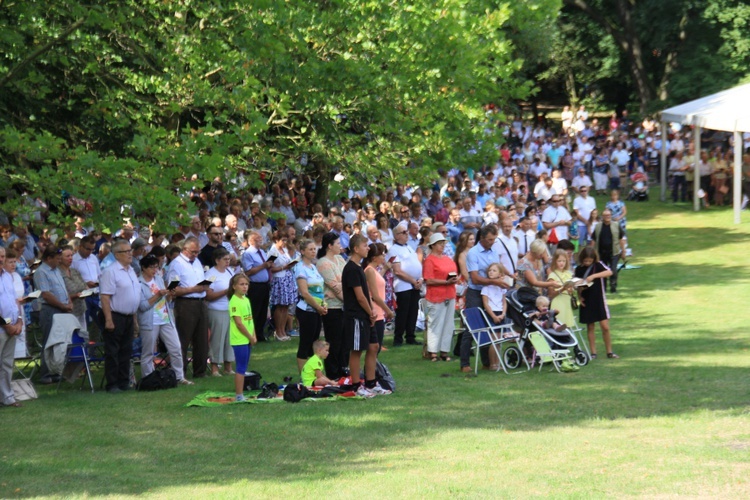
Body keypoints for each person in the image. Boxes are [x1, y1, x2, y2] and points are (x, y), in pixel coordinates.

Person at [342, 234, 391, 397]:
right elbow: (360, 296)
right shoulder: (351, 269)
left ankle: (371, 383)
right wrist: (371, 311)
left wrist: (371, 311)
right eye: (365, 246)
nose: (368, 248)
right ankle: (356, 386)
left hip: (366, 315)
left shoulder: (359, 269)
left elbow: (367, 295)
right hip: (356, 316)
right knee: (357, 350)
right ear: (356, 249)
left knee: (373, 346)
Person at [136, 254, 191, 385]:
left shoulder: (159, 279)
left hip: (165, 318)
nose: (154, 270)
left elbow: (165, 301)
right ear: (143, 268)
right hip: (150, 321)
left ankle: (179, 377)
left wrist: (170, 295)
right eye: (151, 267)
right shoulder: (139, 283)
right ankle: (148, 380)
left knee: (176, 348)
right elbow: (143, 306)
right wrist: (157, 295)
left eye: (156, 267)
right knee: (148, 352)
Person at [100, 239, 141, 393]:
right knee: (113, 351)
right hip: (115, 315)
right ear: (117, 254)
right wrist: (109, 319)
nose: (130, 254)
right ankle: (112, 384)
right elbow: (105, 297)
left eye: (130, 250)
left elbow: (133, 296)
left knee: (126, 350)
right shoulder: (111, 271)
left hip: (129, 316)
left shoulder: (130, 270)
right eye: (126, 251)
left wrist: (135, 319)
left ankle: (124, 382)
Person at [168, 236, 211, 379]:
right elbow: (173, 290)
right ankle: (181, 372)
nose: (196, 255)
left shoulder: (197, 262)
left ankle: (200, 371)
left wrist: (204, 286)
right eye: (193, 252)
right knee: (183, 339)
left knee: (202, 339)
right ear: (184, 249)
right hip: (185, 304)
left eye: (198, 252)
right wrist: (193, 289)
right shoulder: (177, 264)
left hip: (200, 302)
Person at [34, 244, 73, 384]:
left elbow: (63, 288)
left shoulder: (56, 270)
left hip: (62, 308)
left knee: (59, 342)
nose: (59, 261)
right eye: (57, 259)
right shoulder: (41, 272)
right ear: (49, 258)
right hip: (50, 309)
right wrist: (63, 306)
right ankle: (45, 374)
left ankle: (56, 371)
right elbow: (46, 294)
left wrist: (69, 302)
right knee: (49, 342)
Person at [575, 247, 618, 359]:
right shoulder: (578, 269)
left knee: (605, 326)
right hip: (587, 300)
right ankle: (593, 352)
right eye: (585, 261)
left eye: (590, 261)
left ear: (593, 259)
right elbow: (577, 285)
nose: (587, 263)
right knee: (590, 326)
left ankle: (609, 351)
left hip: (599, 299)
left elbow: (609, 272)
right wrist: (580, 297)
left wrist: (593, 276)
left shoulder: (598, 265)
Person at [422, 233, 458, 362]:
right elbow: (429, 280)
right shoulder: (430, 260)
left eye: (443, 243)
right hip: (436, 296)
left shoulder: (448, 259)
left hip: (450, 294)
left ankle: (444, 351)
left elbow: (454, 272)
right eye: (439, 243)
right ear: (433, 245)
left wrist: (454, 279)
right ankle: (432, 352)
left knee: (449, 324)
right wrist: (445, 282)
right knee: (435, 324)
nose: (442, 245)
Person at [316, 232, 348, 379]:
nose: (340, 246)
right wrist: (349, 299)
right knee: (334, 342)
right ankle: (333, 373)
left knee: (345, 342)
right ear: (329, 246)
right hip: (332, 307)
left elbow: (347, 279)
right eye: (338, 244)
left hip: (344, 306)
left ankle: (344, 370)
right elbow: (334, 285)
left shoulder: (340, 258)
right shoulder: (322, 263)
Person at [386, 223, 423, 347]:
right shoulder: (394, 249)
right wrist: (413, 280)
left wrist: (420, 279)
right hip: (403, 285)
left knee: (413, 311)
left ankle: (410, 336)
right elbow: (397, 270)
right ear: (396, 236)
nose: (407, 234)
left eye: (407, 232)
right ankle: (398, 337)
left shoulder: (409, 247)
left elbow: (416, 264)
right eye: (403, 232)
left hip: (414, 284)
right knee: (403, 312)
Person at [294, 239, 328, 372]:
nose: (313, 251)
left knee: (314, 342)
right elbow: (305, 292)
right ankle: (304, 375)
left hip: (316, 309)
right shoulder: (300, 267)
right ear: (302, 251)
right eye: (310, 249)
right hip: (307, 309)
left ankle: (312, 372)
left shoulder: (313, 267)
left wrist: (323, 304)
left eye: (314, 249)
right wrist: (318, 307)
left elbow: (319, 288)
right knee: (305, 343)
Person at [205, 247, 235, 376]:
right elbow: (208, 295)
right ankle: (215, 367)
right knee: (217, 338)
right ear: (217, 260)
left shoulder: (230, 271)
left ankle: (228, 366)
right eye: (225, 259)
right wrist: (225, 292)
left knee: (230, 339)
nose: (227, 262)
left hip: (230, 309)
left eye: (229, 259)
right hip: (217, 309)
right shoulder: (210, 274)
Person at [227, 274, 257, 402]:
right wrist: (250, 337)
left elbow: (250, 319)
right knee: (240, 367)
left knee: (244, 366)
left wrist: (254, 334)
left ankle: (241, 393)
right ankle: (239, 395)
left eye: (246, 284)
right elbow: (239, 323)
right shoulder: (234, 301)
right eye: (241, 284)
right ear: (234, 286)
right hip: (240, 339)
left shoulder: (246, 299)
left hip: (247, 339)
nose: (245, 287)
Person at [0, 246, 23, 407]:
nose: (1, 259)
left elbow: (15, 301)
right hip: (2, 327)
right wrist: (7, 325)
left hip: (13, 325)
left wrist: (20, 320)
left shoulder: (8, 276)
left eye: (2, 256)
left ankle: (7, 397)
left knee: (7, 364)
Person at [241, 231, 273, 342]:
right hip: (255, 285)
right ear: (250, 241)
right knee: (255, 310)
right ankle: (251, 334)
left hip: (265, 284)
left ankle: (260, 334)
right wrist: (263, 265)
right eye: (257, 238)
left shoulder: (262, 252)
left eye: (260, 238)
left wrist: (268, 265)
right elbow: (248, 271)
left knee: (263, 310)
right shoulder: (248, 254)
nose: (260, 240)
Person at [267, 228, 298, 342]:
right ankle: (278, 331)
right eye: (282, 240)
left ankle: (283, 330)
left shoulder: (284, 250)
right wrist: (283, 267)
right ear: (277, 240)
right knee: (280, 306)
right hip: (279, 279)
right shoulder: (273, 252)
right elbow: (270, 267)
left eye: (285, 240)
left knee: (286, 307)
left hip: (287, 278)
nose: (284, 243)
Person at [363, 243, 395, 351]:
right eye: (382, 254)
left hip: (379, 311)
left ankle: (373, 368)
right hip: (375, 311)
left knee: (376, 348)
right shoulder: (370, 270)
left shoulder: (374, 270)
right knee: (374, 348)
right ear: (374, 258)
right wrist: (388, 310)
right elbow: (375, 296)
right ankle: (370, 368)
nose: (384, 256)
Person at [593, 209, 626, 293]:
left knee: (613, 270)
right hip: (601, 253)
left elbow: (621, 239)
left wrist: (623, 251)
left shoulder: (616, 225)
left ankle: (613, 287)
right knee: (603, 271)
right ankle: (603, 288)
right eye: (605, 215)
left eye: (609, 215)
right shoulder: (598, 226)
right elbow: (593, 239)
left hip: (614, 252)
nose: (607, 217)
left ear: (611, 216)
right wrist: (593, 252)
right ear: (602, 217)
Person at [59, 245, 89, 334]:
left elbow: (84, 285)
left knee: (83, 334)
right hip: (68, 311)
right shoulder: (58, 273)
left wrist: (88, 292)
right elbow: (60, 294)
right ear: (60, 258)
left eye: (71, 255)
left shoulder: (75, 271)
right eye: (67, 256)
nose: (70, 258)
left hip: (81, 308)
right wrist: (75, 296)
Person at [547, 249, 576, 327]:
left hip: (567, 301)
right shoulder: (552, 275)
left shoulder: (569, 274)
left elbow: (571, 291)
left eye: (563, 261)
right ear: (555, 261)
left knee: (568, 325)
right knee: (559, 324)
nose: (561, 263)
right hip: (558, 301)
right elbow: (550, 294)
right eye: (559, 261)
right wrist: (563, 289)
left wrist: (572, 289)